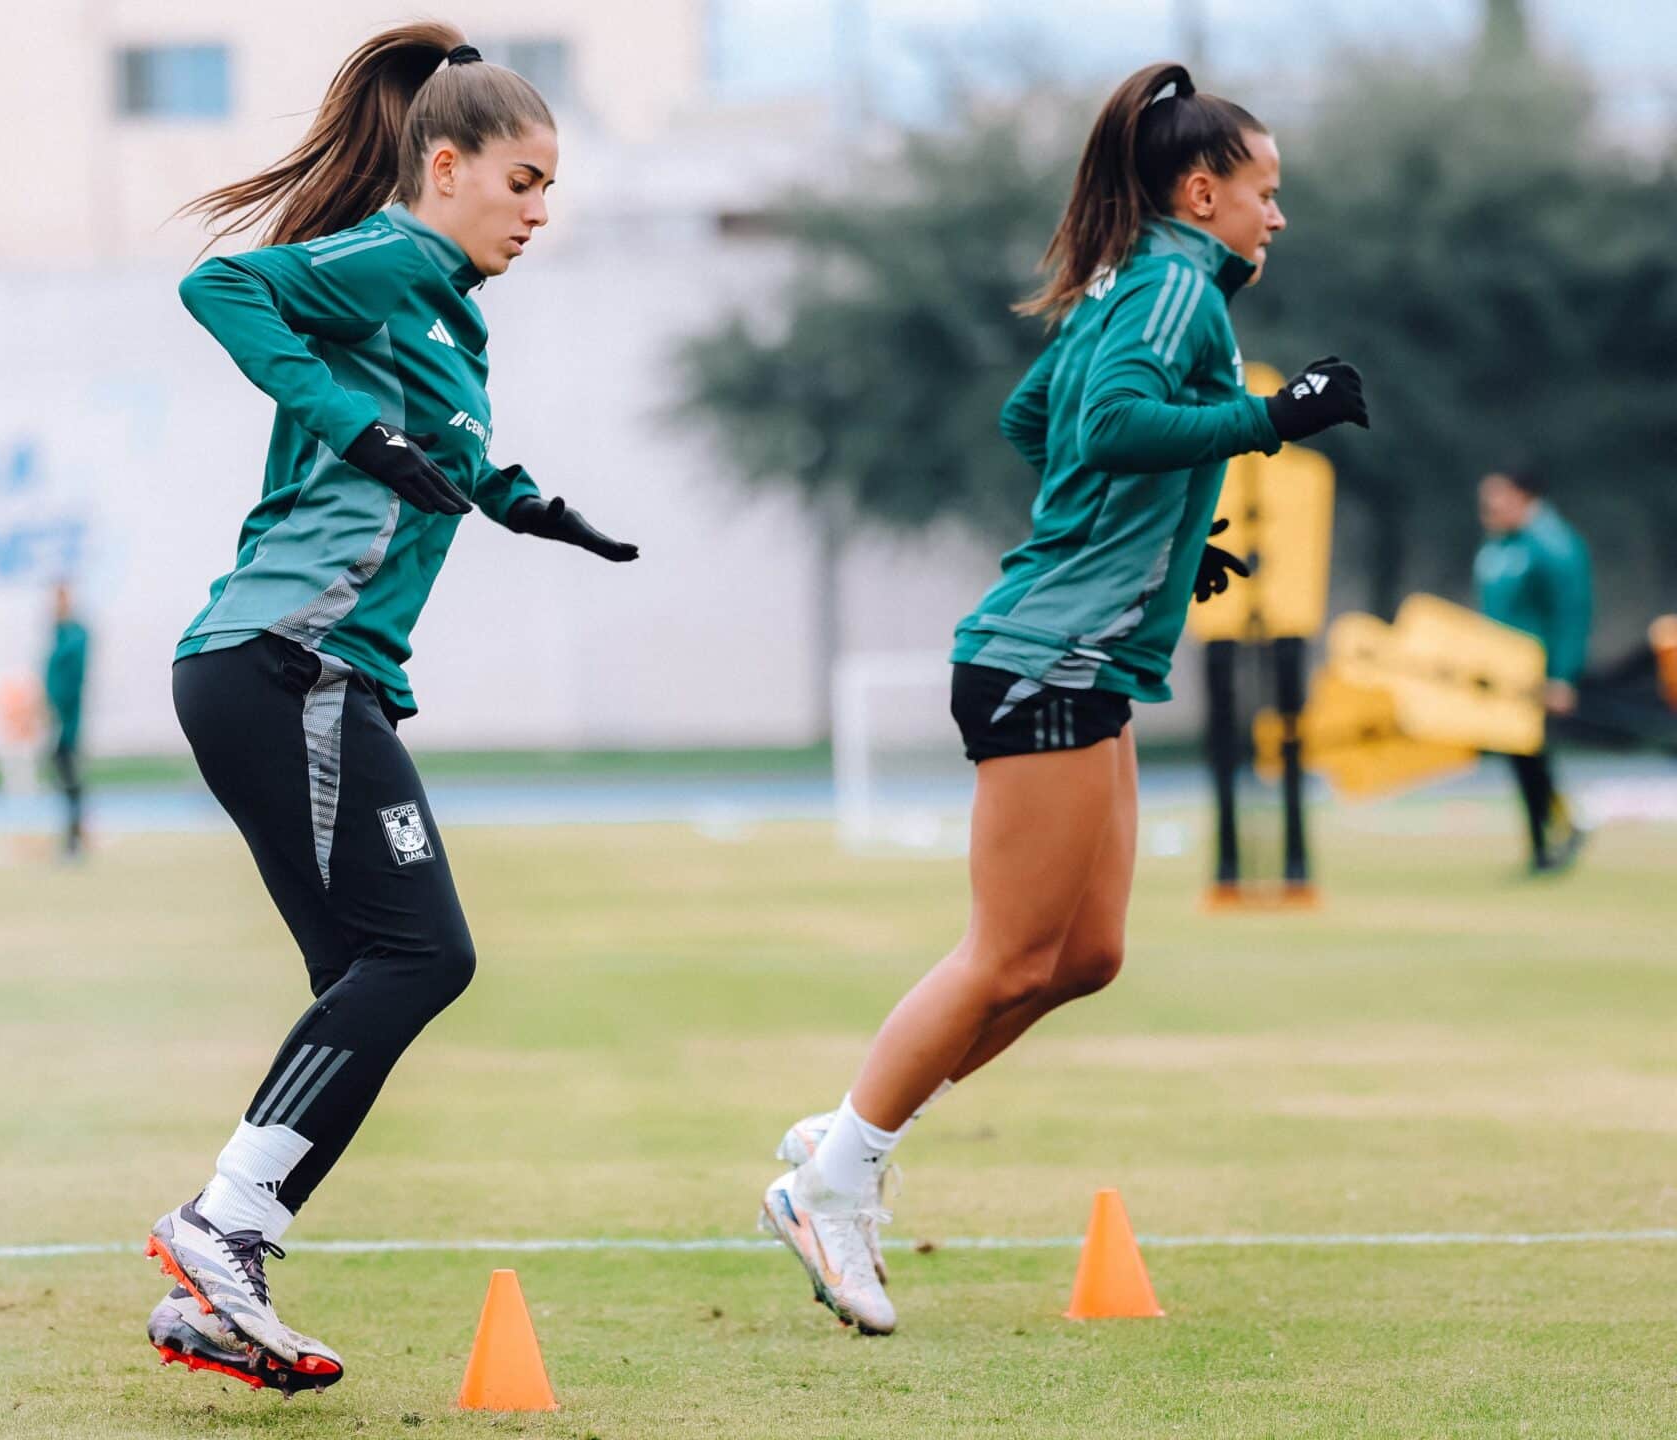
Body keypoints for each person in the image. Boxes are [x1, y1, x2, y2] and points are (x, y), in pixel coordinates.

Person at [759, 61, 1368, 1337]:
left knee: (1084, 957)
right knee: (1005, 955)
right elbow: (1104, 425)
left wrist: (1158, 526)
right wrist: (1270, 422)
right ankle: (837, 1176)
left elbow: (1033, 411)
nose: (1277, 216)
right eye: (1266, 192)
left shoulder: (1139, 278)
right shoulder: (1171, 283)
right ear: (1202, 193)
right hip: (1049, 656)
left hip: (1076, 661)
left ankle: (848, 1132)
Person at [139, 23, 638, 1394]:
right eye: (524, 182)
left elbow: (448, 445)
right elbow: (223, 288)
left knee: (367, 973)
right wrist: (359, 432)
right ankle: (222, 1228)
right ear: (447, 164)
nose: (542, 212)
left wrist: (530, 505)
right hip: (290, 660)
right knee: (421, 956)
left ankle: (217, 1278)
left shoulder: (440, 310)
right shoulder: (393, 258)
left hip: (296, 667)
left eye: (550, 189)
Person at [1473, 466, 1591, 873]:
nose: (1488, 508)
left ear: (1524, 497)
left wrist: (1562, 676)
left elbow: (1570, 613)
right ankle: (1557, 831)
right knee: (1522, 755)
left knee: (1528, 754)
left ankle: (1549, 840)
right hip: (1504, 672)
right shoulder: (1500, 546)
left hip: (1535, 674)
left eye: (1497, 498)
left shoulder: (1551, 545)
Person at [43, 584, 89, 858]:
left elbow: (68, 680)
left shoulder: (74, 635)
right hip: (55, 718)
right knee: (63, 776)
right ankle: (73, 832)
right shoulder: (58, 634)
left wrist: (58, 711)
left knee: (69, 775)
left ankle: (74, 836)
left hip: (66, 720)